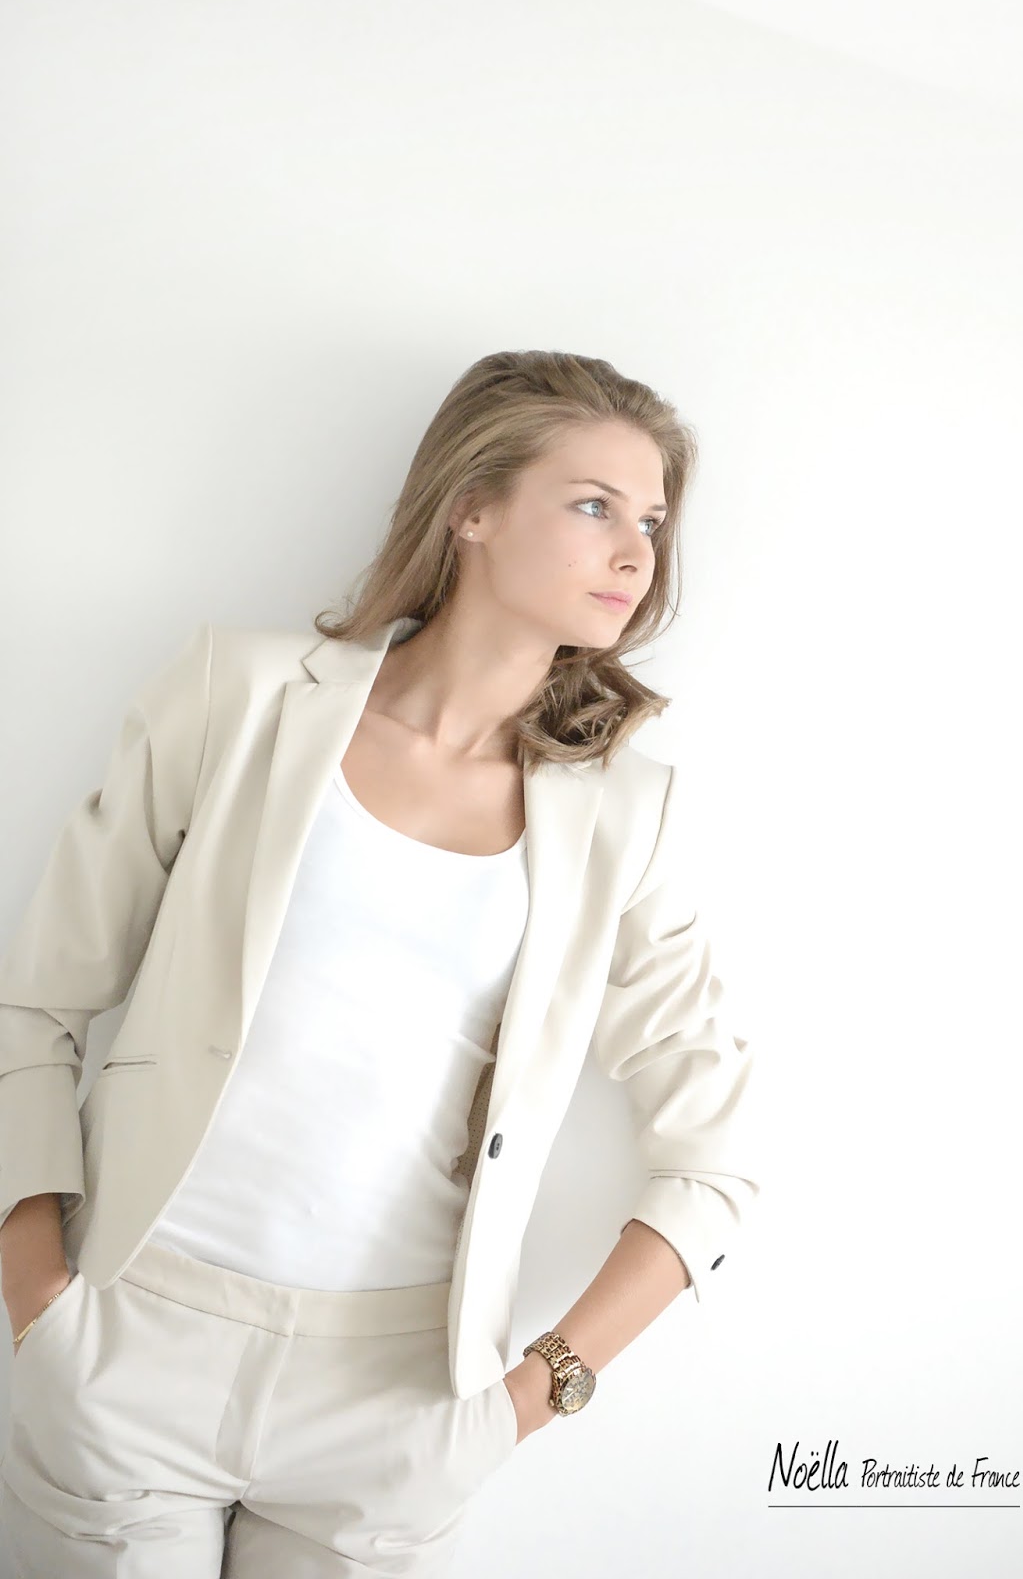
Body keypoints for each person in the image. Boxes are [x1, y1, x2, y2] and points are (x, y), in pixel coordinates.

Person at [0, 348, 758, 1575]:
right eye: (593, 505)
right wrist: (39, 1295)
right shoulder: (239, 696)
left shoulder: (624, 815)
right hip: (134, 1340)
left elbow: (714, 1156)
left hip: (400, 1401)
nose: (635, 552)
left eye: (653, 521)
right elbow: (33, 1002)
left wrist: (529, 1396)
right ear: (471, 507)